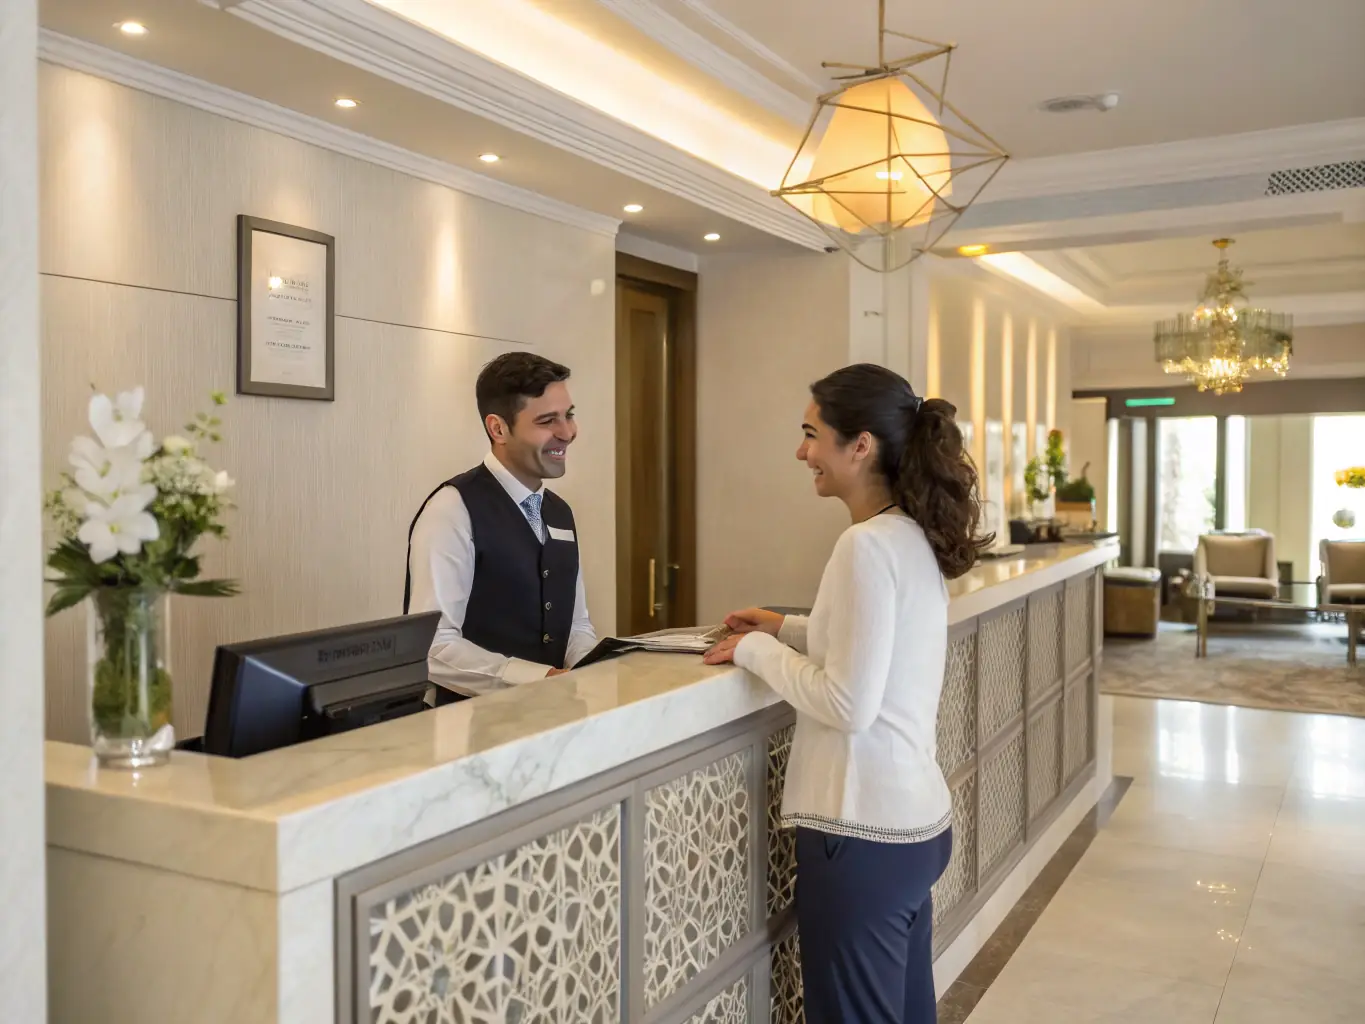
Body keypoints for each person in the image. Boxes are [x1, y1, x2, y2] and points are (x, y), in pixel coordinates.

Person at [703, 363, 989, 1024]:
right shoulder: (906, 534)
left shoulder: (863, 546)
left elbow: (846, 704)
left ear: (859, 446)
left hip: (861, 838)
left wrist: (754, 650)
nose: (801, 452)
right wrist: (788, 628)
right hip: (915, 828)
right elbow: (875, 644)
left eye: (811, 435)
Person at [405, 352, 597, 699]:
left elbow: (576, 625)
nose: (567, 433)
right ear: (498, 428)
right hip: (470, 731)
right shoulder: (452, 509)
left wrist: (595, 671)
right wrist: (540, 678)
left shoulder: (560, 513)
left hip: (554, 722)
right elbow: (434, 647)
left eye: (568, 416)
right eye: (547, 421)